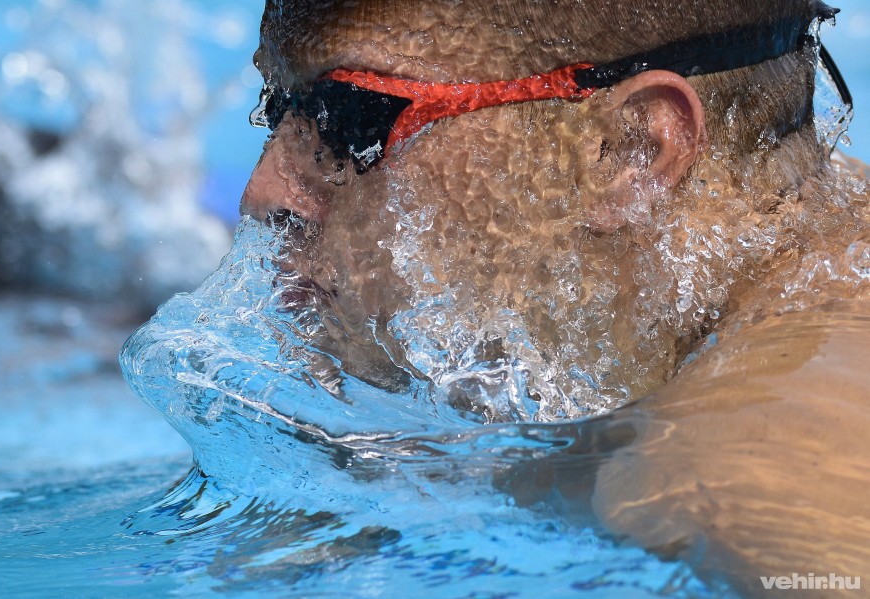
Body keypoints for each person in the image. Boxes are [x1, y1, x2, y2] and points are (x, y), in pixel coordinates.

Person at [239, 0, 870, 595]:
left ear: (630, 151)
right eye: (277, 109)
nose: (263, 192)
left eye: (349, 120)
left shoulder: (738, 488)